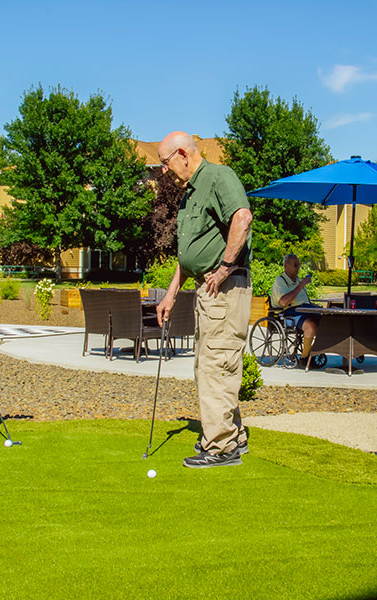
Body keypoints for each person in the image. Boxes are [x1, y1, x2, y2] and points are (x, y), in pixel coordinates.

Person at [155, 131, 253, 468]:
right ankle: (233, 436)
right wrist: (171, 293)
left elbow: (242, 218)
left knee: (217, 366)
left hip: (224, 289)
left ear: (182, 153)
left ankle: (221, 448)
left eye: (165, 163)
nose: (164, 171)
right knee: (207, 366)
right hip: (206, 290)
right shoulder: (190, 193)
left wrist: (224, 268)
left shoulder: (218, 177)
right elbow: (189, 255)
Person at [271, 253, 320, 367]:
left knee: (328, 323)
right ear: (286, 265)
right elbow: (283, 302)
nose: (298, 268)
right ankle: (304, 358)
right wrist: (301, 285)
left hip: (306, 310)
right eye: (295, 265)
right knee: (310, 326)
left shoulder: (298, 280)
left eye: (299, 265)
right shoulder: (281, 281)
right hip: (289, 312)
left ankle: (312, 353)